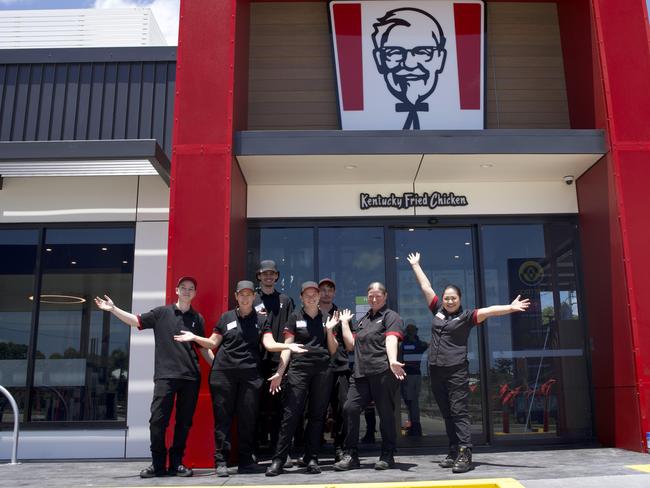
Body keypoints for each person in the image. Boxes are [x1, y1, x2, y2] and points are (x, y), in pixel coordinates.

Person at [407, 252, 530, 473]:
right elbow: (426, 287)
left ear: (460, 299)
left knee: (459, 412)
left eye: (453, 297)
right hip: (435, 371)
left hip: (456, 372)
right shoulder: (437, 310)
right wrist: (416, 265)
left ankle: (465, 452)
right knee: (446, 413)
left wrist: (511, 307)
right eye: (447, 297)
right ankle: (453, 449)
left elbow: (490, 311)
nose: (450, 300)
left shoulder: (467, 317)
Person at [173, 280, 307, 477]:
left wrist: (287, 346)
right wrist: (194, 337)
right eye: (241, 294)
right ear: (236, 296)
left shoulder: (262, 320)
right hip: (223, 375)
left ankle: (245, 461)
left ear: (254, 297)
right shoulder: (226, 317)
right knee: (223, 420)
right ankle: (221, 462)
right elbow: (211, 342)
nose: (245, 298)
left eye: (249, 294)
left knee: (248, 419)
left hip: (250, 377)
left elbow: (269, 344)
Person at [94, 276, 207, 478]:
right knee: (157, 421)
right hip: (165, 376)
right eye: (184, 287)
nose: (187, 291)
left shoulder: (197, 319)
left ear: (195, 293)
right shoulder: (161, 313)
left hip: (191, 377)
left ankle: (176, 463)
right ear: (177, 290)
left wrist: (220, 367)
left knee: (184, 422)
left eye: (191, 288)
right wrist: (113, 309)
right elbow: (136, 321)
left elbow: (203, 348)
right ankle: (157, 464)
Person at [265, 281, 340, 476]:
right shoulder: (294, 317)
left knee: (317, 416)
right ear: (301, 297)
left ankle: (312, 457)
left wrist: (330, 330)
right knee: (290, 415)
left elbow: (332, 350)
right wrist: (280, 373)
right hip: (299, 369)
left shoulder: (327, 317)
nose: (312, 297)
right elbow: (287, 347)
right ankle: (278, 460)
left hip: (322, 370)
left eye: (314, 294)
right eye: (307, 294)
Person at [333, 282, 406, 471]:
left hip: (382, 372)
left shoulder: (392, 317)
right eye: (370, 296)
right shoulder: (363, 319)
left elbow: (391, 339)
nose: (373, 299)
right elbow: (350, 345)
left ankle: (387, 454)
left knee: (386, 414)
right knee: (350, 408)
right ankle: (351, 455)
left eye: (377, 295)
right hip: (360, 374)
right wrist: (344, 323)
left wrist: (392, 361)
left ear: (385, 296)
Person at [371, 7, 447, 129]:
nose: (409, 64)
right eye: (395, 52)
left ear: (440, 58)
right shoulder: (372, 119)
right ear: (379, 59)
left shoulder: (450, 116)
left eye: (422, 52)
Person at [254, 259, 295, 454]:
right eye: (265, 273)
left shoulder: (285, 300)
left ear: (277, 276)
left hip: (278, 362)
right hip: (255, 361)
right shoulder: (251, 298)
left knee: (279, 409)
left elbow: (289, 332)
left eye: (272, 273)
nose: (269, 276)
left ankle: (278, 452)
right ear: (259, 276)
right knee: (254, 407)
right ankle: (255, 449)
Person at [317, 277, 349, 461]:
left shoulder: (342, 314)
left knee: (342, 410)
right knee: (315, 410)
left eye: (330, 289)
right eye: (323, 289)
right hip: (318, 370)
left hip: (340, 368)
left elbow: (349, 344)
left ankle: (340, 447)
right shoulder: (311, 313)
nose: (327, 293)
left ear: (334, 293)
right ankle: (313, 447)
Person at [401, 323, 428, 436]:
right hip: (413, 374)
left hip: (411, 375)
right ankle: (414, 426)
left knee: (411, 401)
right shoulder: (419, 344)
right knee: (412, 402)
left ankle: (415, 427)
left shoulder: (406, 344)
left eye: (412, 330)